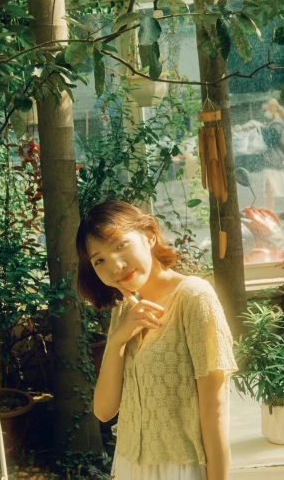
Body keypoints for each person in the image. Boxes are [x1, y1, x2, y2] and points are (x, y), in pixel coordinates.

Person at [77, 200, 237, 480]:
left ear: (150, 235)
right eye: (99, 260)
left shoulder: (194, 297)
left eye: (120, 245)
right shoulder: (124, 310)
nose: (115, 265)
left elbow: (216, 408)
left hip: (181, 468)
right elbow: (104, 411)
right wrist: (117, 342)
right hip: (130, 466)